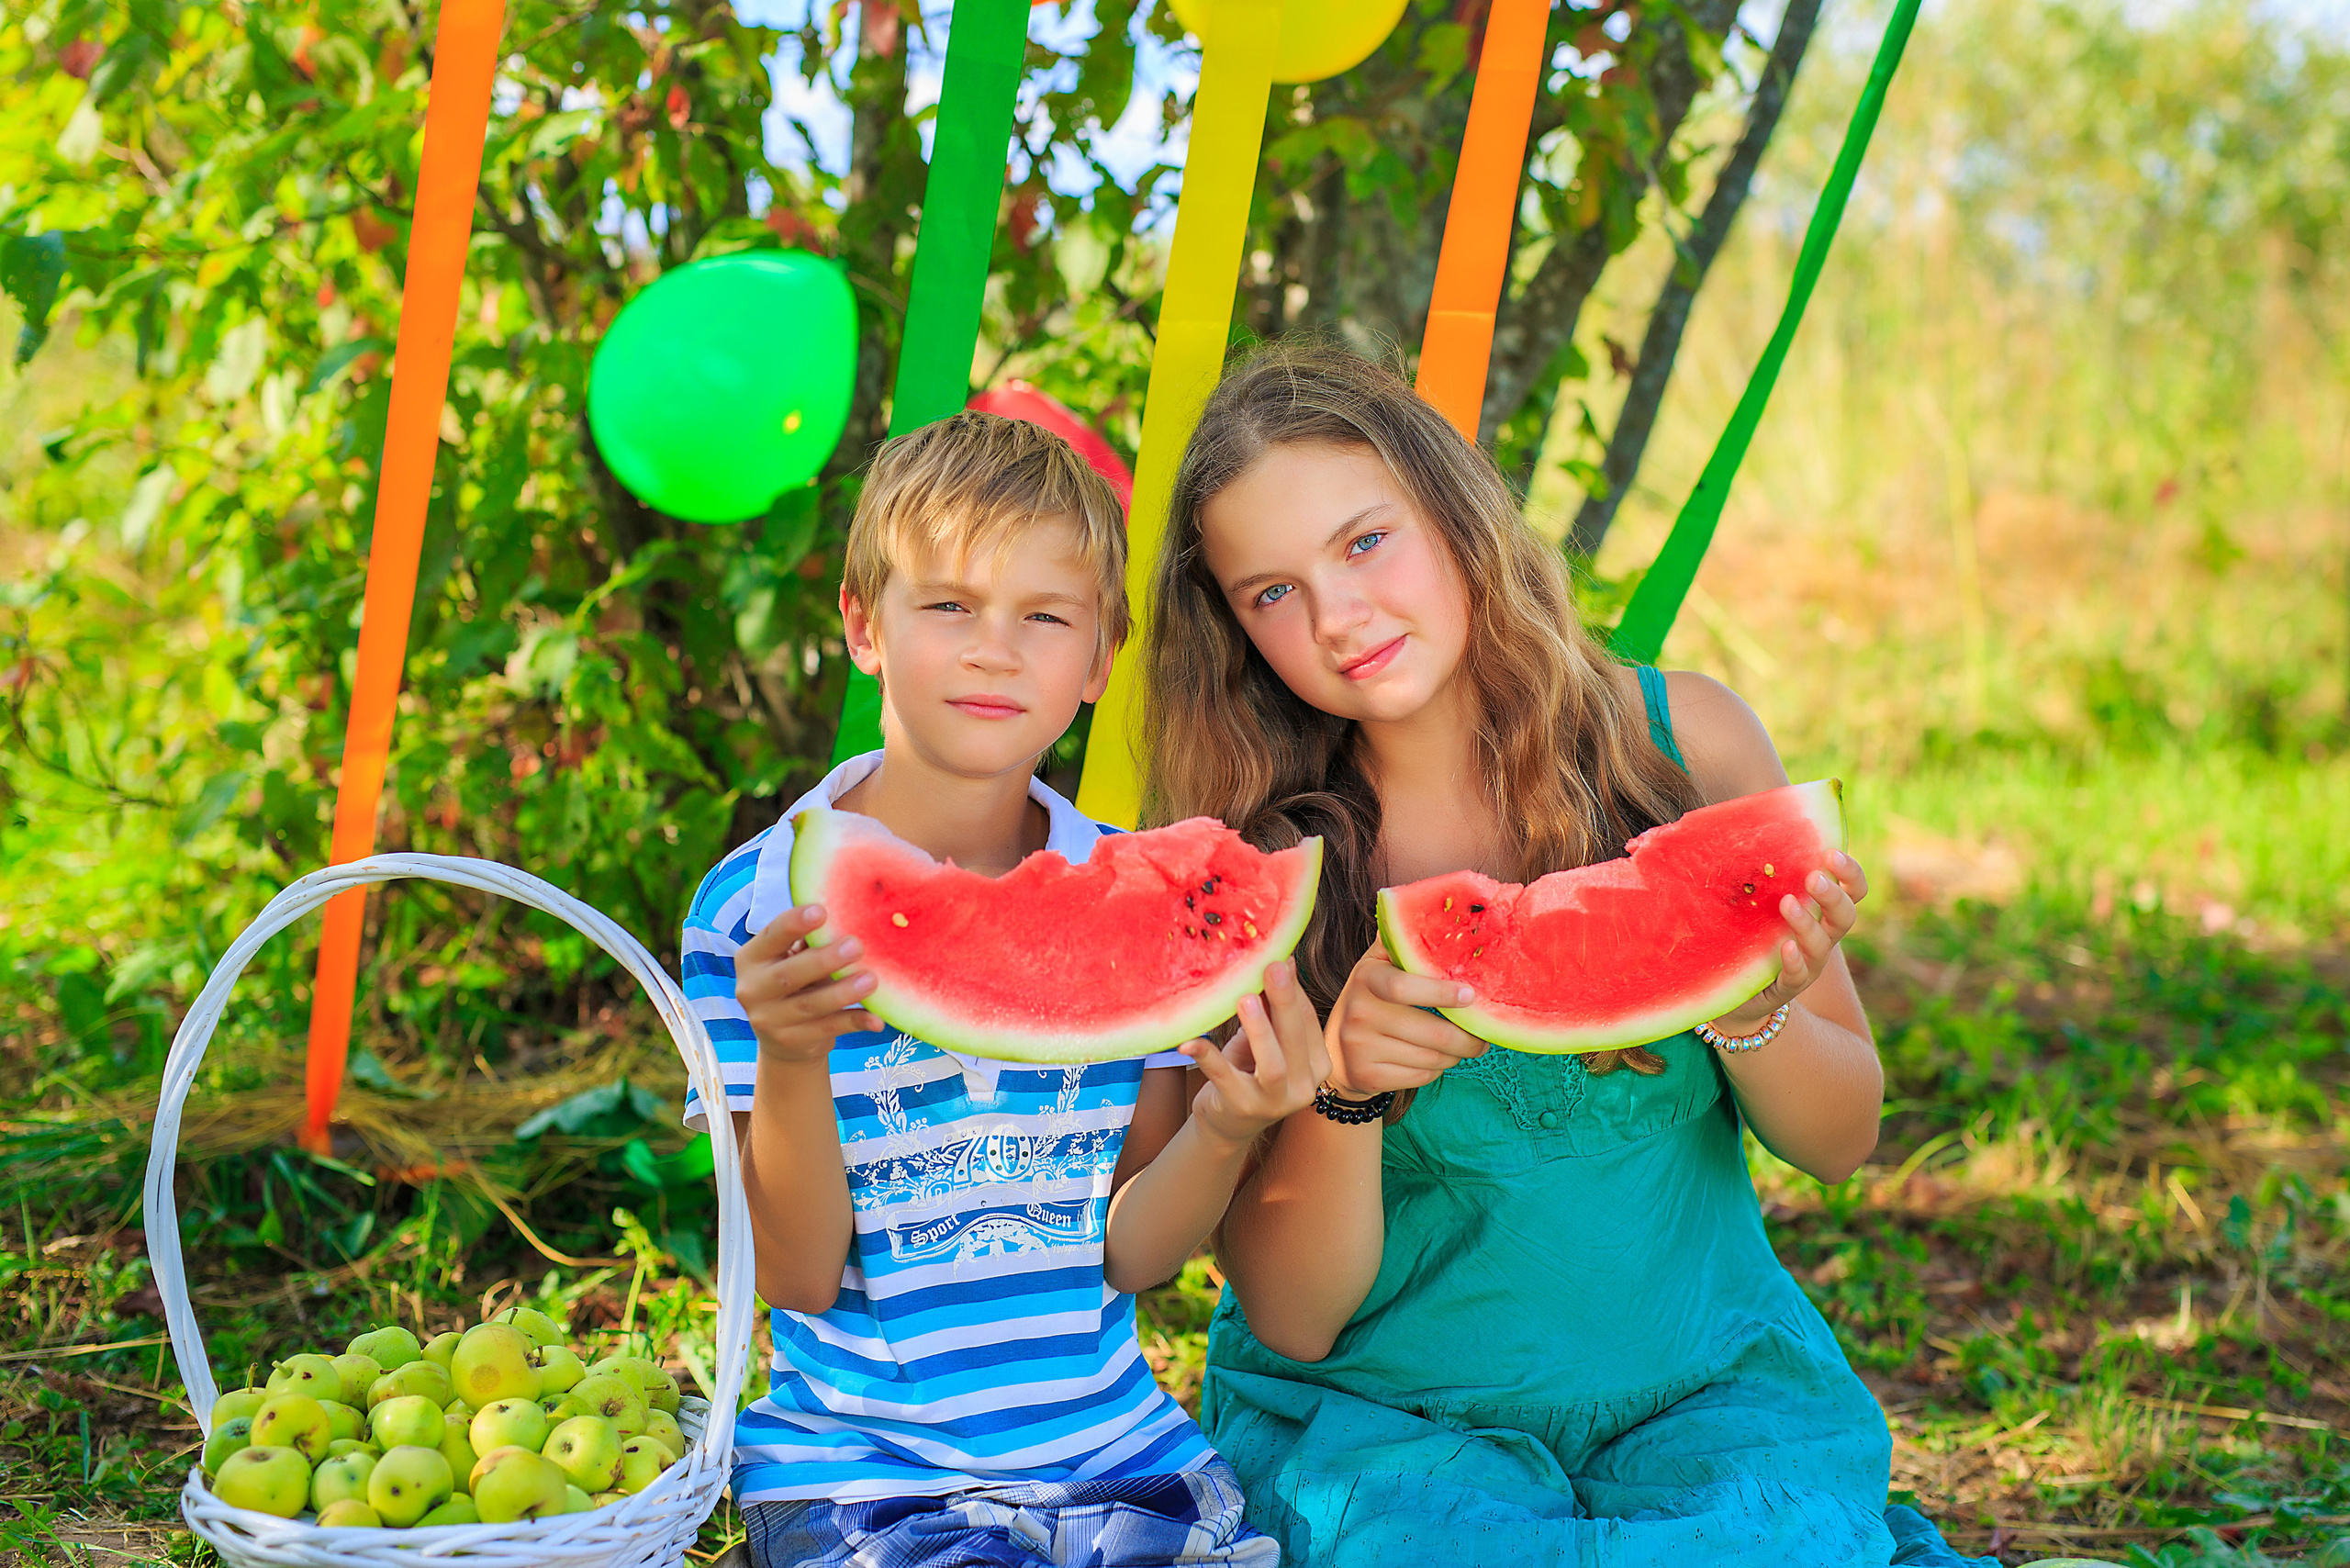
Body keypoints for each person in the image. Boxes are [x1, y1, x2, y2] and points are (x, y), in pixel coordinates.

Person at [1139, 343, 1993, 1567]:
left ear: (1454, 512)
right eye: (1270, 593)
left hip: (1704, 1395)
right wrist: (1346, 1088)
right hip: (1388, 1428)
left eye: (1364, 541)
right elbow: (1295, 1313)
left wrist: (1745, 1009)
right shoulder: (1262, 872)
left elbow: (1843, 1138)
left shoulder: (1681, 747)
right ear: (1232, 628)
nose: (1338, 616)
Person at [681, 411, 1303, 1568]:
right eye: (950, 605)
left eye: (1044, 617)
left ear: (1097, 662)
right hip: (860, 1478)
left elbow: (1133, 1253)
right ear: (865, 627)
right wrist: (789, 1053)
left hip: (1123, 1457)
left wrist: (1226, 1125)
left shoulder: (1144, 901)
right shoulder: (755, 909)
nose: (993, 649)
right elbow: (801, 1274)